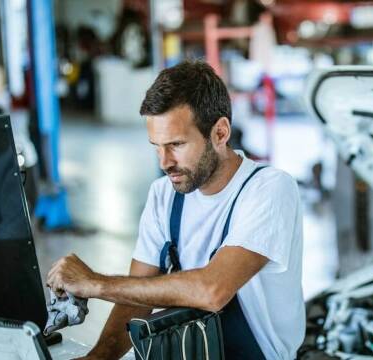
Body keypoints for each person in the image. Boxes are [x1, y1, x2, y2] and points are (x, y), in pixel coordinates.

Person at [46, 60, 305, 360]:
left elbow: (213, 289)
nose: (164, 162)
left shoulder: (269, 190)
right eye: (156, 146)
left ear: (220, 133)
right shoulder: (164, 195)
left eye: (176, 144)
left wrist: (95, 283)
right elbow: (136, 298)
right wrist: (98, 357)